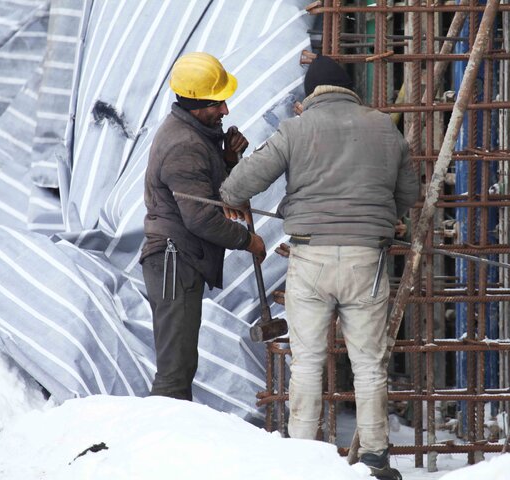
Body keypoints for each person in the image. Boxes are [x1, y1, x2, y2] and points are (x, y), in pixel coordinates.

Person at [220, 55, 418, 480]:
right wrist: (383, 217)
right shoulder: (384, 127)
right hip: (368, 257)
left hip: (311, 257)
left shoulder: (295, 129)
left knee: (307, 362)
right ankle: (377, 460)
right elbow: (408, 194)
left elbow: (239, 187)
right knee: (368, 364)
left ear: (310, 94)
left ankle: (302, 459)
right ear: (348, 89)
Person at [141, 52, 266, 401]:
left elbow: (206, 196)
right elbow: (200, 218)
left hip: (179, 260)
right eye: (217, 103)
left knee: (181, 365)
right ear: (196, 104)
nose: (225, 110)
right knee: (174, 373)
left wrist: (226, 161)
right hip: (173, 261)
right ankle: (161, 447)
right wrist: (248, 241)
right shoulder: (184, 145)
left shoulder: (194, 136)